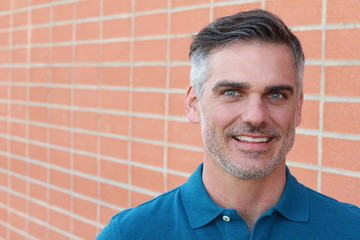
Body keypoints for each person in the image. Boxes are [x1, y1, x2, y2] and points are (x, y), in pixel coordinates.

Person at [96, 9, 360, 239]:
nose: (255, 116)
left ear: (298, 107)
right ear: (193, 103)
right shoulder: (131, 233)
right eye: (232, 92)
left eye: (276, 95)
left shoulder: (351, 229)